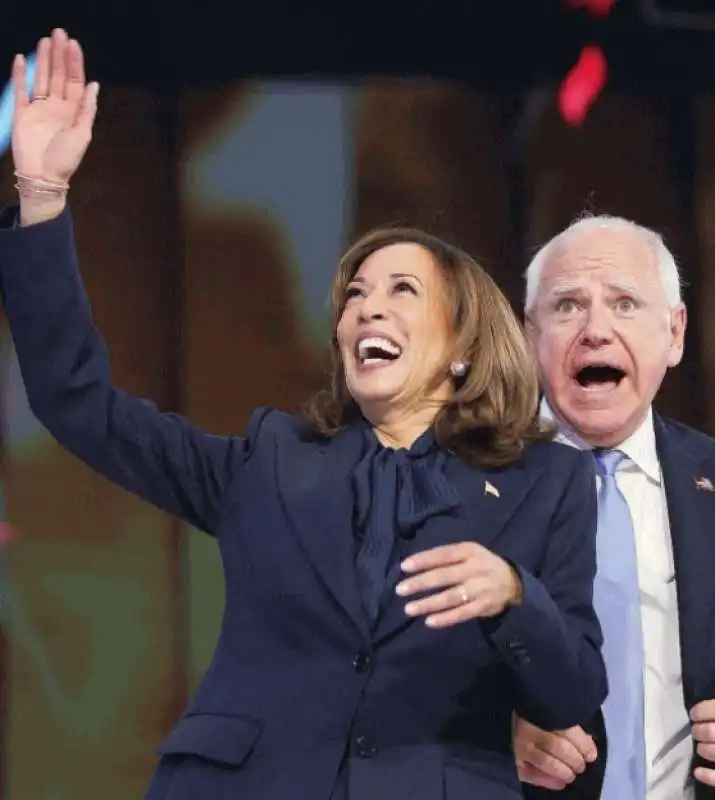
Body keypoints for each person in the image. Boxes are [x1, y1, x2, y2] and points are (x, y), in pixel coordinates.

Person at [1, 30, 607, 800]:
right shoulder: (268, 460)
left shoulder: (545, 482)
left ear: (462, 345)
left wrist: (516, 595)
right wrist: (43, 199)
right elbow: (75, 402)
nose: (363, 310)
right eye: (353, 296)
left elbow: (574, 688)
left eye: (399, 292)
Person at [514, 214, 715, 800]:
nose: (595, 330)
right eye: (568, 306)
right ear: (530, 335)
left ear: (675, 333)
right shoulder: (464, 479)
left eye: (625, 304)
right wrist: (487, 735)